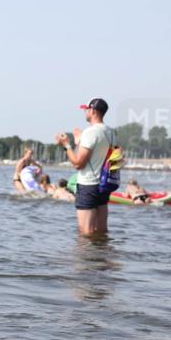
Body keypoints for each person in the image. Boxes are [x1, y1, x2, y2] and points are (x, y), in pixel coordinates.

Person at [54, 97, 120, 236]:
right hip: (103, 185)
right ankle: (101, 256)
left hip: (88, 185)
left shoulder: (90, 132)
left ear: (93, 111)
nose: (85, 112)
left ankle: (86, 258)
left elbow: (78, 163)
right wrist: (79, 142)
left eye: (86, 109)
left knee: (86, 233)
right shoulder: (112, 133)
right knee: (101, 231)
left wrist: (66, 145)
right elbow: (100, 157)